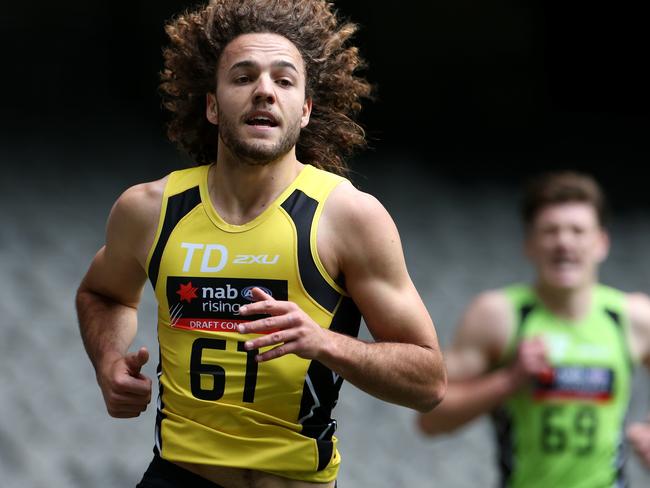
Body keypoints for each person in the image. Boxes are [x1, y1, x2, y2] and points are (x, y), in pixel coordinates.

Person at [76, 1, 446, 487]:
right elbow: (103, 294)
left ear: (307, 109)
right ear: (211, 104)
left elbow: (429, 382)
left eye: (284, 80)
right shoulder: (150, 208)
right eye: (243, 77)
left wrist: (325, 343)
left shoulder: (348, 216)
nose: (264, 92)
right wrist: (107, 362)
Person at [417, 171, 650, 487]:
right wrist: (508, 380)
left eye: (577, 231)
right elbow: (430, 419)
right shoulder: (498, 316)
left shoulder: (632, 317)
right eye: (550, 231)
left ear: (601, 243)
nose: (564, 242)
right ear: (529, 244)